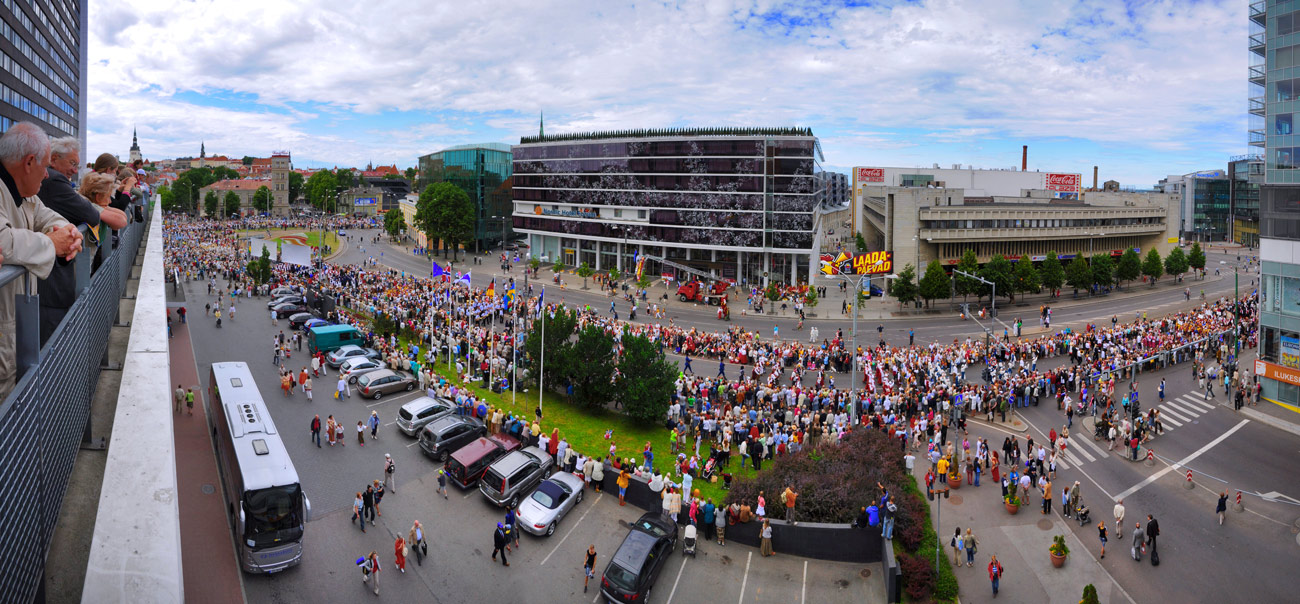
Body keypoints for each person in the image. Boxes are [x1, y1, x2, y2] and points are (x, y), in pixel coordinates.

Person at [0, 122, 83, 399]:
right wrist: (51, 243)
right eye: (45, 166)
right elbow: (4, 241)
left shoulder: (24, 193)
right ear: (29, 162)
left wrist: (68, 233)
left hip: (14, 328)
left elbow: (48, 216)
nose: (47, 175)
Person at [37, 143, 124, 346]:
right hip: (57, 282)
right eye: (72, 163)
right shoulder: (54, 180)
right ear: (54, 159)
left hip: (62, 278)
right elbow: (94, 215)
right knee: (55, 343)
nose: (76, 170)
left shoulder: (55, 182)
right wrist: (98, 208)